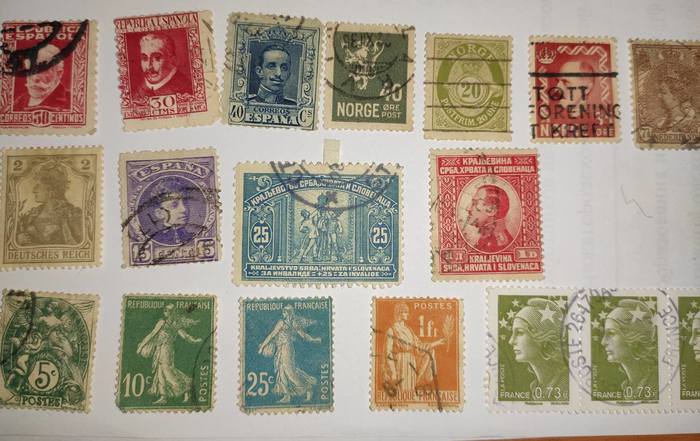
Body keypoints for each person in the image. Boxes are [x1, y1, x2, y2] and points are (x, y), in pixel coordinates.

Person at [137, 303, 202, 405]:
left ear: (171, 313)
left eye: (166, 311)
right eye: (165, 311)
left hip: (166, 349)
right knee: (160, 372)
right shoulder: (167, 323)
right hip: (160, 348)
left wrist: (194, 340)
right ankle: (163, 397)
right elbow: (153, 334)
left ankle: (186, 387)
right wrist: (141, 346)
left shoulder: (172, 323)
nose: (165, 312)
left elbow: (184, 336)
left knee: (167, 371)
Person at [258, 305, 321, 403]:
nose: (283, 314)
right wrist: (263, 346)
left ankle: (307, 387)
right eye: (283, 312)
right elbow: (272, 335)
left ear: (289, 313)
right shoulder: (283, 322)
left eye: (285, 312)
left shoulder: (290, 323)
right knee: (281, 371)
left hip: (287, 349)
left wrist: (313, 339)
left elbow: (303, 335)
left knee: (289, 371)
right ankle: (286, 396)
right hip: (280, 349)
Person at [508, 298, 568, 400]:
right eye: (513, 333)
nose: (511, 341)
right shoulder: (535, 386)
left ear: (543, 338)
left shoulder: (565, 384)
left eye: (520, 332)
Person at [16, 162, 83, 246]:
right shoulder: (33, 214)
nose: (34, 190)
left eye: (38, 186)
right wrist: (18, 240)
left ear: (50, 190)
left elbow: (78, 244)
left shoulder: (73, 215)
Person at [383, 303, 445, 394]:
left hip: (411, 363)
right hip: (400, 362)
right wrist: (393, 372)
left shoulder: (409, 330)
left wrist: (436, 343)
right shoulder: (392, 330)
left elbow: (419, 346)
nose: (407, 314)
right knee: (401, 390)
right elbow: (388, 353)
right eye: (405, 312)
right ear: (399, 313)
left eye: (407, 312)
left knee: (410, 390)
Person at [602, 299, 657, 395]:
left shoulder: (655, 383)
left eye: (611, 333)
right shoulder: (627, 386)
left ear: (634, 339)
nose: (603, 342)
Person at [13, 44, 70, 111]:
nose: (34, 78)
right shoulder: (18, 102)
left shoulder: (70, 102)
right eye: (30, 70)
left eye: (42, 70)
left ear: (59, 73)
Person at [134, 33, 191, 98]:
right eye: (144, 58)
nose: (149, 66)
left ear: (172, 60)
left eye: (157, 58)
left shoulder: (185, 91)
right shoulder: (140, 91)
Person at [463, 184, 513, 252]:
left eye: (475, 203)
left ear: (491, 210)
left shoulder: (496, 244)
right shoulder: (487, 239)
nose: (467, 208)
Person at [148, 177, 197, 245]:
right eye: (174, 205)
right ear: (159, 213)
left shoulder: (194, 237)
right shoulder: (154, 240)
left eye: (185, 203)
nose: (184, 209)